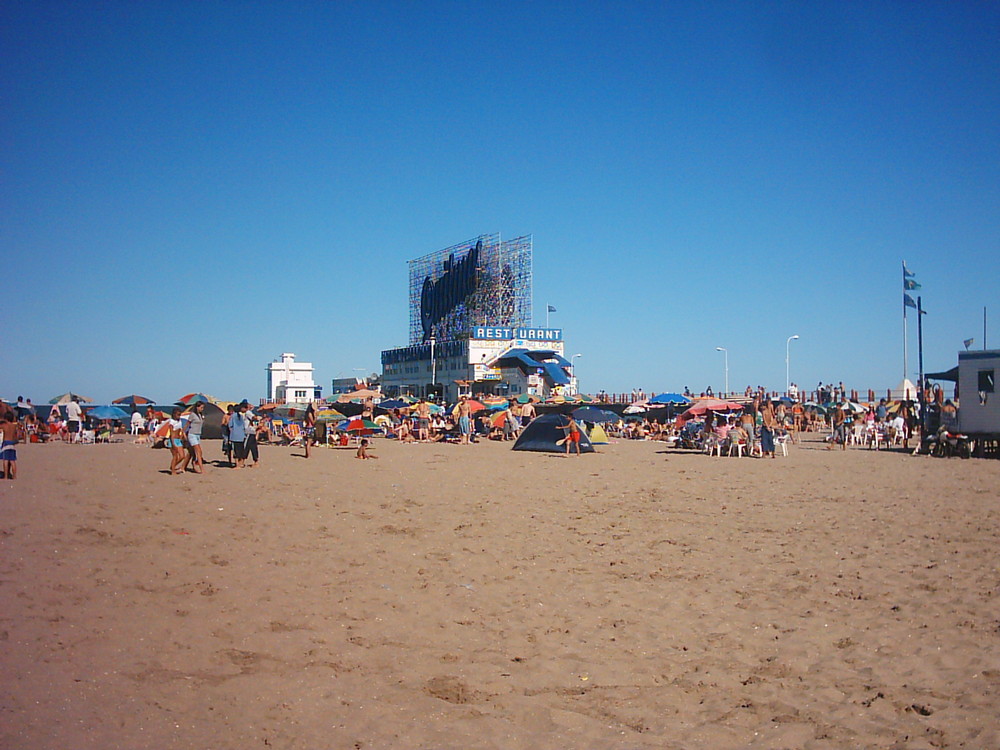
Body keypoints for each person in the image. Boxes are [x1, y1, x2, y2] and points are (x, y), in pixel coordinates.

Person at [181, 401, 205, 474]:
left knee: (191, 453)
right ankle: (202, 469)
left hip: (198, 435)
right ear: (197, 407)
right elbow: (187, 424)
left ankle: (183, 467)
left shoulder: (200, 415)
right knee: (199, 451)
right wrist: (183, 433)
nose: (202, 409)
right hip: (192, 434)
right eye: (201, 407)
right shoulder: (192, 415)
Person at [166, 407, 187, 475]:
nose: (179, 416)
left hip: (178, 440)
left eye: (180, 414)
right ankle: (173, 470)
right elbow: (171, 433)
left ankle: (173, 466)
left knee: (182, 456)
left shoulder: (179, 421)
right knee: (175, 456)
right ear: (174, 414)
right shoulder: (172, 422)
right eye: (178, 414)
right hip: (173, 440)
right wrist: (173, 443)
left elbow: (180, 430)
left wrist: (182, 437)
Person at [228, 403, 248, 468]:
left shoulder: (233, 416)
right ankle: (240, 463)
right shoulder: (241, 416)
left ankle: (237, 464)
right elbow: (243, 426)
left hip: (235, 435)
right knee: (241, 450)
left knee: (235, 450)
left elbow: (230, 426)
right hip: (241, 435)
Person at [1, 412, 19, 479]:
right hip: (12, 443)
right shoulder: (14, 426)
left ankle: (5, 476)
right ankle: (14, 476)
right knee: (12, 460)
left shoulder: (4, 425)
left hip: (6, 443)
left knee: (5, 460)